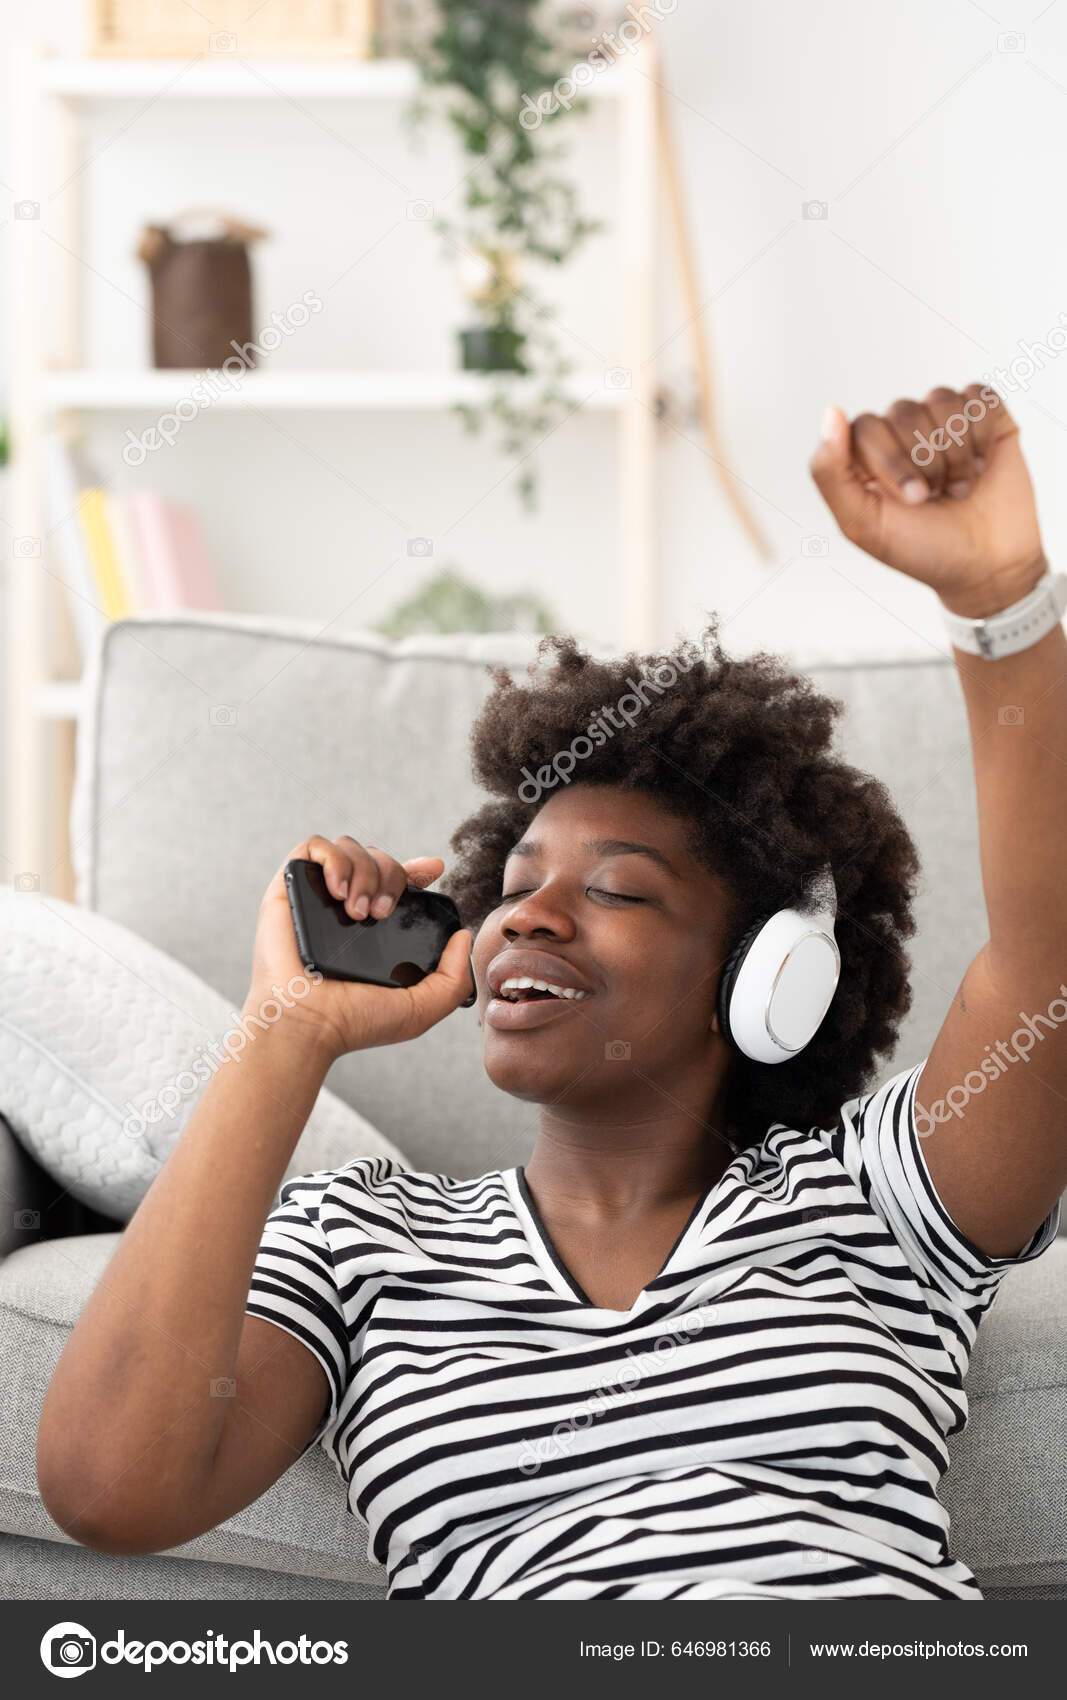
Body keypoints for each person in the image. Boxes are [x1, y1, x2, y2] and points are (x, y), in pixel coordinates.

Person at [37, 383, 1065, 1600]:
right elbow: (110, 1487)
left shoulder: (878, 1194)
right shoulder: (362, 1244)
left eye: (618, 891)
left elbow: (1043, 961)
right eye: (515, 885)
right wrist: (287, 1030)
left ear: (765, 972)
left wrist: (998, 599)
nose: (525, 914)